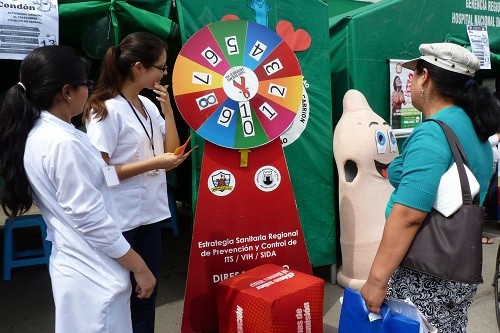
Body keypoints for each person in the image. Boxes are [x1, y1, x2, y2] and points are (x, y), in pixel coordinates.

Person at [0, 45, 156, 332]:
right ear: (67, 91)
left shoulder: (43, 134)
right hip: (93, 272)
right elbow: (91, 219)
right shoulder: (62, 143)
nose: (89, 90)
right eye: (86, 83)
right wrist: (139, 267)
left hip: (78, 265)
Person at [361, 42, 500, 332]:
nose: (410, 82)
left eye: (413, 75)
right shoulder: (476, 131)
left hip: (425, 272)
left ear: (425, 77)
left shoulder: (433, 134)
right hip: (458, 266)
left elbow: (409, 216)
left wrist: (376, 281)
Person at [82, 32, 188, 333]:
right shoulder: (104, 109)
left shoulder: (148, 105)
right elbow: (101, 172)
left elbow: (170, 151)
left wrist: (168, 111)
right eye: (161, 67)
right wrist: (156, 163)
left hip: (149, 214)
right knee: (122, 295)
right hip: (119, 218)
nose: (163, 74)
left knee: (147, 291)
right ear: (139, 68)